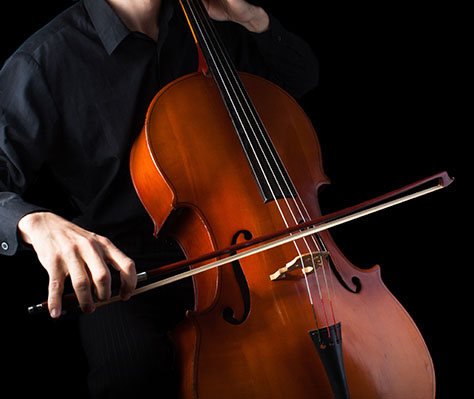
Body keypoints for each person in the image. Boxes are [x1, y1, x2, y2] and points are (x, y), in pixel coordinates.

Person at [0, 0, 318, 397]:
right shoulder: (43, 60)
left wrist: (253, 19)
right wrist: (31, 221)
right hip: (129, 274)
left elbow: (300, 78)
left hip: (246, 250)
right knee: (132, 374)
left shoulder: (209, 16)